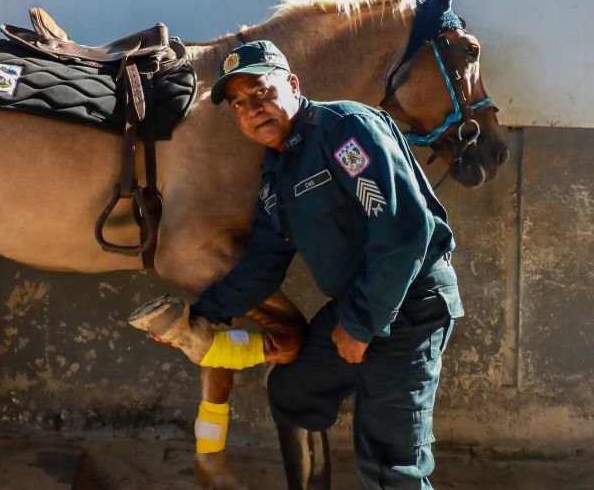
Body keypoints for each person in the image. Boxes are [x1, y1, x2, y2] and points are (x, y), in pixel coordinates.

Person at [131, 39, 463, 489]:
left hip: (410, 306)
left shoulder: (344, 130)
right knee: (295, 392)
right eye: (239, 103)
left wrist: (362, 325)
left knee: (390, 463)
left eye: (262, 92)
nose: (253, 109)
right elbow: (265, 261)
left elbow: (405, 233)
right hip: (356, 303)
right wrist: (202, 317)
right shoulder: (278, 171)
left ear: (292, 83)